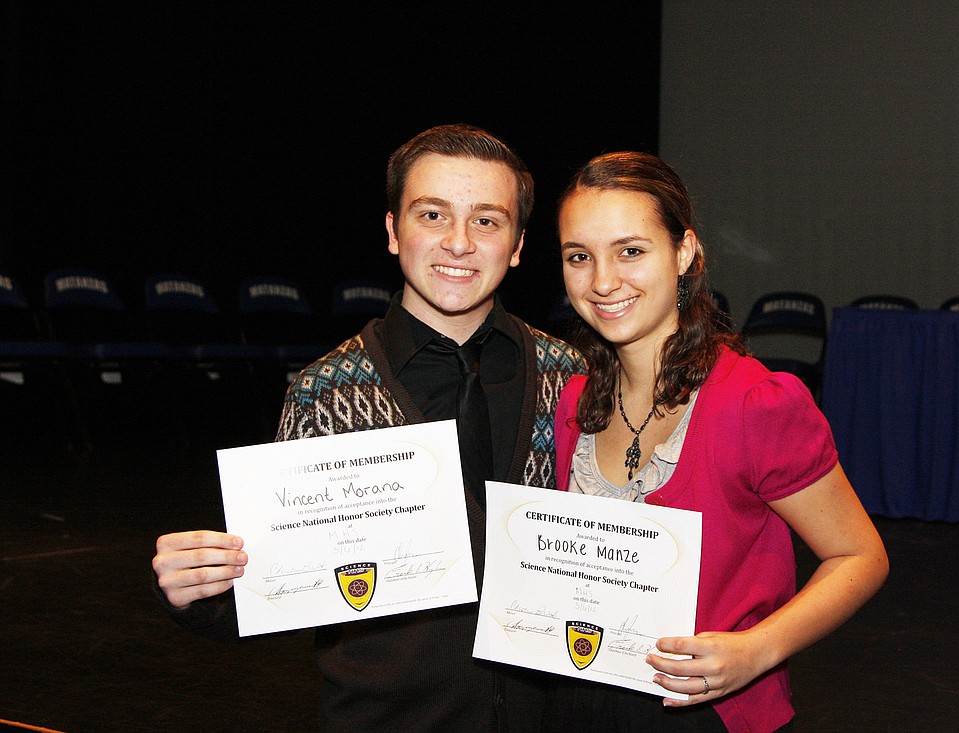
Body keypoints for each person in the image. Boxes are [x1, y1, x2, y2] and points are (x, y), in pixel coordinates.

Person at [151, 124, 585, 732]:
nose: (458, 242)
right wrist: (198, 589)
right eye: (432, 214)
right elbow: (280, 584)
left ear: (516, 244)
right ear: (392, 231)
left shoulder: (573, 379)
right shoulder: (324, 391)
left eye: (486, 220)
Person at [547, 152, 888, 733]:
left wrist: (756, 651)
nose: (603, 281)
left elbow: (860, 557)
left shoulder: (755, 403)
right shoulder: (574, 401)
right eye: (580, 257)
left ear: (683, 254)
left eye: (631, 251)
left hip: (711, 717)